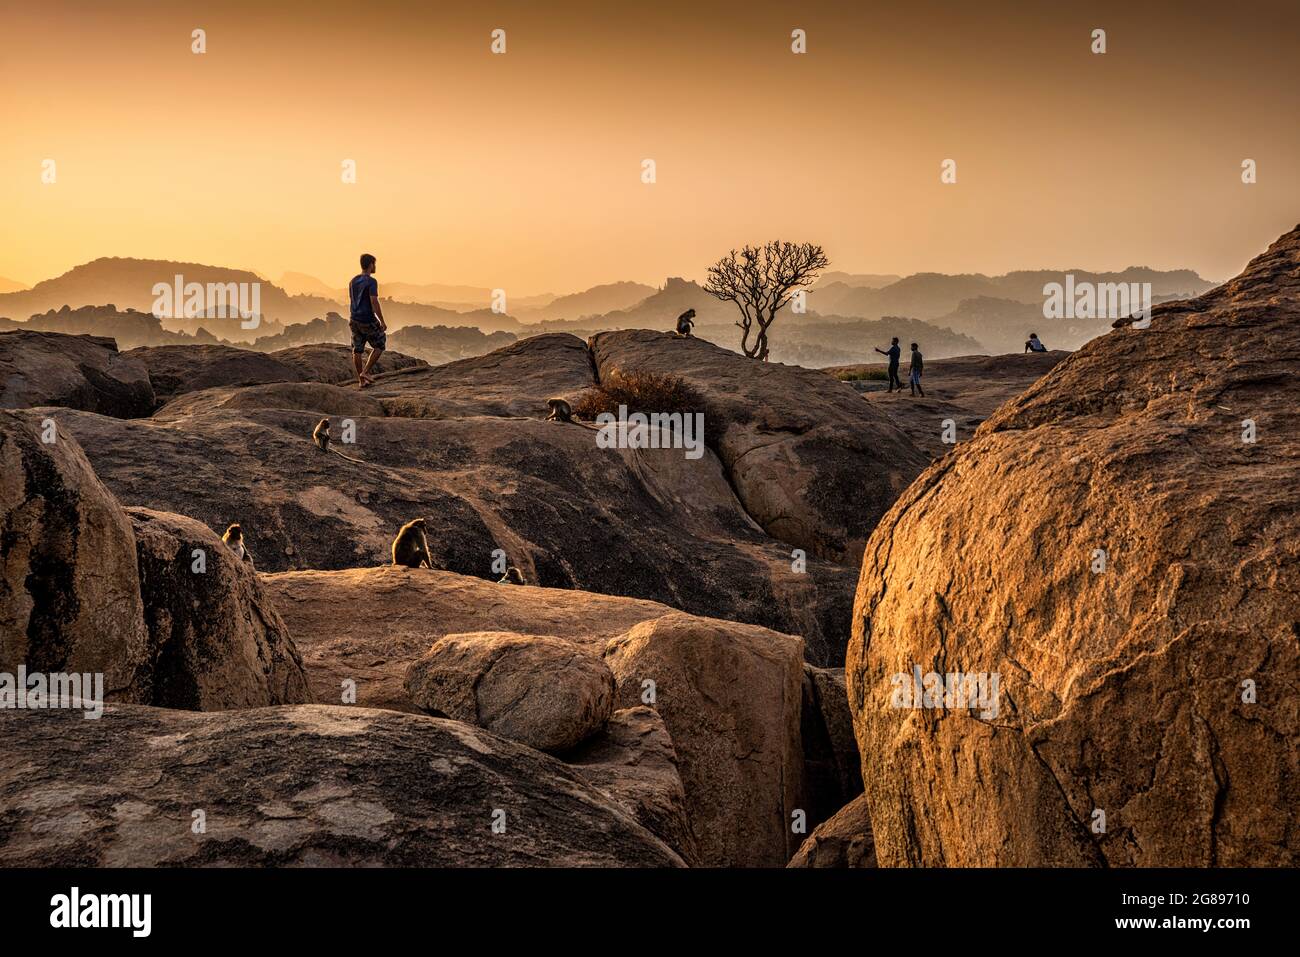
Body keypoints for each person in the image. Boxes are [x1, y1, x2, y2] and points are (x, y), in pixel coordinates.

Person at [349, 253, 387, 387]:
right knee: (380, 343)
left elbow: (353, 300)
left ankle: (361, 381)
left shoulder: (353, 280)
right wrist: (381, 320)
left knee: (357, 349)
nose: (375, 266)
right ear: (371, 264)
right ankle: (365, 372)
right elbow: (373, 301)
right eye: (374, 264)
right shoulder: (371, 281)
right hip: (367, 319)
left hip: (354, 319)